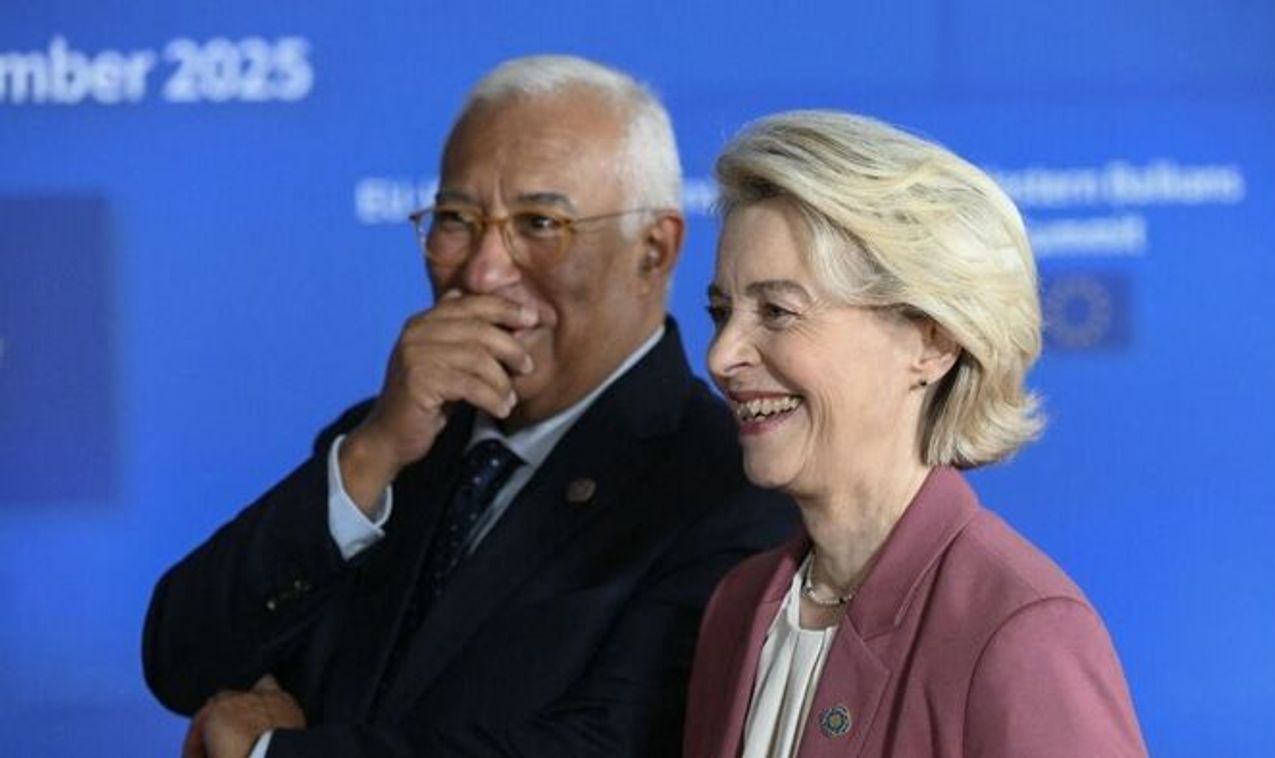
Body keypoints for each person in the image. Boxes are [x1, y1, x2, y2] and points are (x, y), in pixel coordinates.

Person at [142, 55, 796, 758]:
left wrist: (272, 753)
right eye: (455, 219)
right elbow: (181, 661)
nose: (483, 272)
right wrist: (370, 454)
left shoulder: (727, 485)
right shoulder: (388, 445)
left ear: (654, 249)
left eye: (540, 223)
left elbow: (607, 745)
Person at [683, 111, 1147, 757]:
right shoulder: (738, 607)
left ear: (930, 341)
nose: (721, 354)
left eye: (778, 312)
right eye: (720, 312)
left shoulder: (1020, 629)